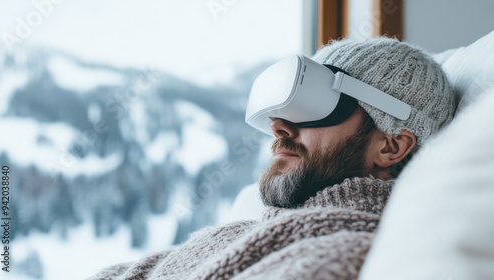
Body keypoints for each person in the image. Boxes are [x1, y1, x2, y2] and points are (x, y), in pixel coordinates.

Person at [87, 37, 457, 280]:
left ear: (391, 147)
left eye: (315, 104)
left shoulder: (349, 253)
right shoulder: (235, 234)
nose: (278, 126)